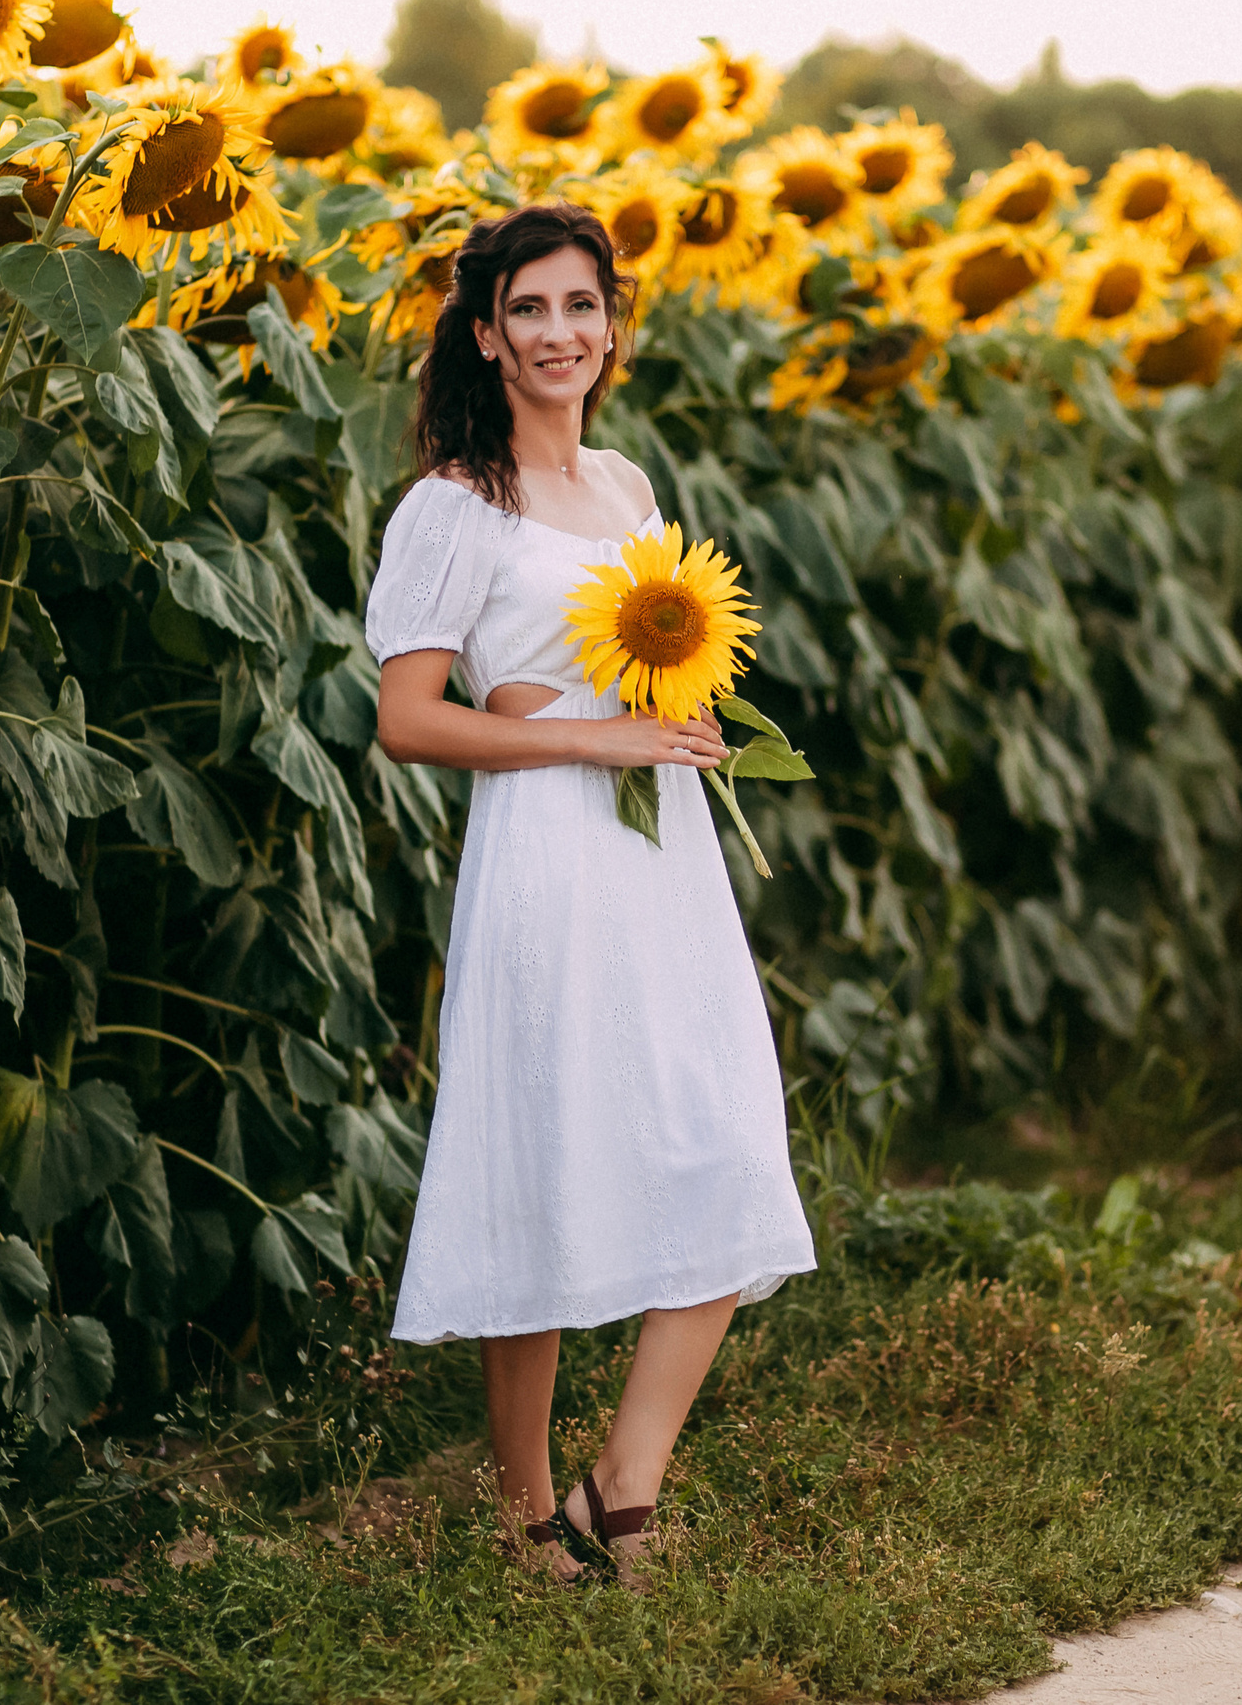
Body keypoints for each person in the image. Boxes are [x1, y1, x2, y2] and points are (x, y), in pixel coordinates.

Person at [363, 201, 817, 1587]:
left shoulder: (625, 489)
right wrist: (593, 735)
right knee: (542, 1160)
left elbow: (654, 655)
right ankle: (520, 1517)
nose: (560, 335)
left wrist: (675, 719)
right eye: (530, 312)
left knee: (728, 1138)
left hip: (661, 848)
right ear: (488, 337)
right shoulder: (453, 506)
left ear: (614, 327)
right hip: (546, 857)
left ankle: (623, 1476)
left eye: (582, 308)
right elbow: (410, 721)